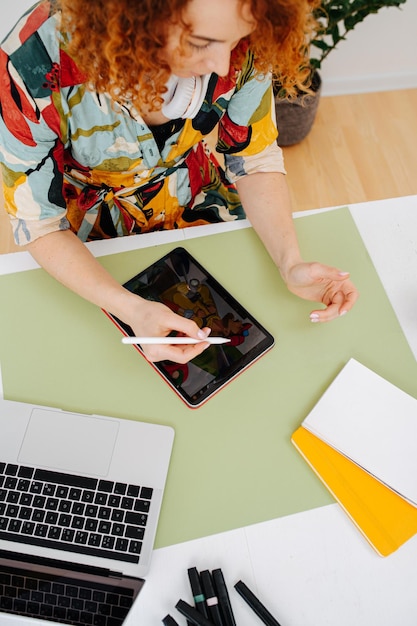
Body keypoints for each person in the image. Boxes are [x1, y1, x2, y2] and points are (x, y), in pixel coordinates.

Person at [0, 0, 358, 364]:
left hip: (199, 195)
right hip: (88, 243)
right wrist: (132, 309)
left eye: (236, 40)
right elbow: (40, 223)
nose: (222, 65)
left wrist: (290, 262)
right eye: (202, 43)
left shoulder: (246, 33)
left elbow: (254, 157)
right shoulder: (30, 64)